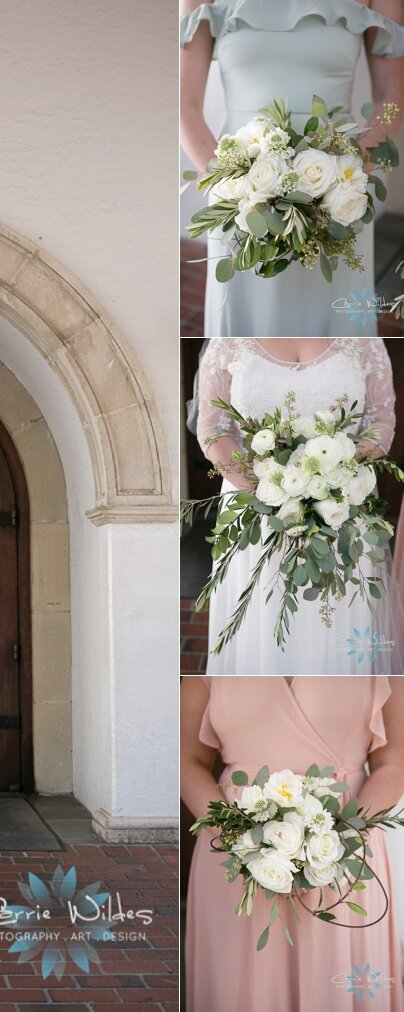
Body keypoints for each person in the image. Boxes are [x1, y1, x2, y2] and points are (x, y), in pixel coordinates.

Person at [181, 0, 404, 336]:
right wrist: (237, 187)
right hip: (241, 201)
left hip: (339, 202)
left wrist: (345, 180)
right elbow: (184, 103)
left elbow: (392, 95)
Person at [182, 675, 404, 1012]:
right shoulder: (217, 656)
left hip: (343, 848)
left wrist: (339, 843)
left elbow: (394, 762)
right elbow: (185, 758)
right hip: (232, 847)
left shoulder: (377, 656)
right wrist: (238, 840)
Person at [194, 338, 399, 675]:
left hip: (341, 505)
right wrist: (265, 486)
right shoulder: (229, 341)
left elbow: (381, 422)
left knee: (336, 617)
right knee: (264, 617)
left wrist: (337, 473)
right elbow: (213, 428)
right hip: (256, 511)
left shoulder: (365, 342)